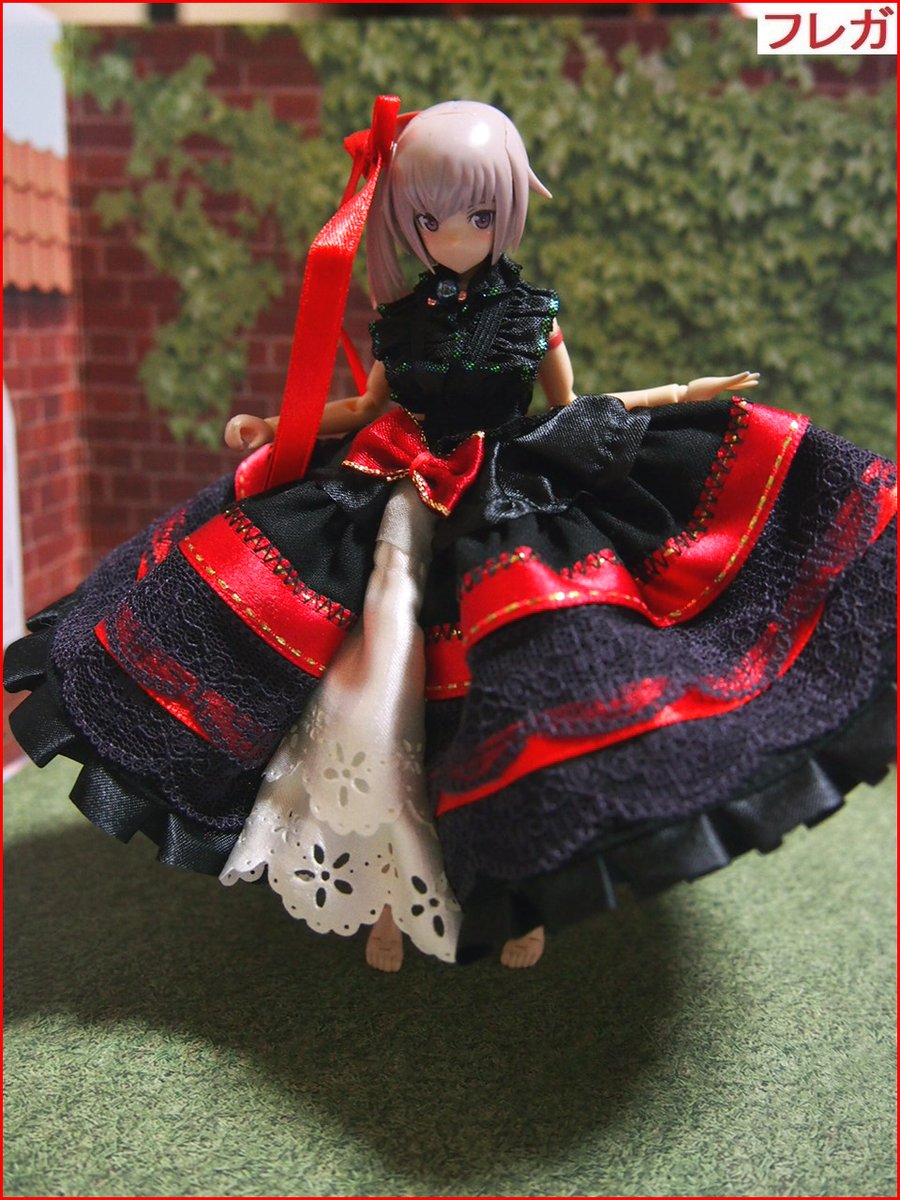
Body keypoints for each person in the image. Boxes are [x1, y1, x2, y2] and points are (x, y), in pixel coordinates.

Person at [6, 101, 895, 972]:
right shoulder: (403, 319)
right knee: (369, 680)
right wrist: (277, 425)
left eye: (477, 214)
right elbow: (366, 407)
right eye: (430, 219)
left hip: (501, 497)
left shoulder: (533, 314)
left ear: (508, 209)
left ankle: (525, 895)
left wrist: (680, 395)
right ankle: (388, 889)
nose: (455, 236)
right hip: (393, 489)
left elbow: (574, 405)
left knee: (520, 685)